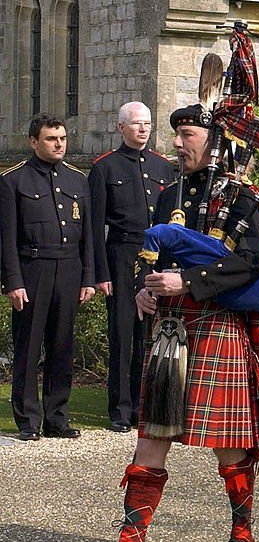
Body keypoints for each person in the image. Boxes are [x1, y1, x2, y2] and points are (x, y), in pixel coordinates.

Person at [69, 104, 259, 542]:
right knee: (150, 438)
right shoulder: (168, 193)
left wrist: (188, 280)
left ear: (213, 141)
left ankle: (243, 540)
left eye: (187, 134)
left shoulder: (240, 196)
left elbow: (252, 263)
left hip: (217, 328)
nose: (176, 143)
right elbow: (148, 254)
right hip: (171, 330)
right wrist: (143, 289)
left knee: (228, 447)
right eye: (176, 135)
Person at [0, 113, 95, 441]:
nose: (59, 145)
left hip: (68, 269)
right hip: (33, 270)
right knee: (28, 347)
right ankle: (28, 420)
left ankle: (57, 418)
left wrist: (88, 277)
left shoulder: (77, 180)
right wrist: (12, 281)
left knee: (62, 346)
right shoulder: (13, 180)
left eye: (63, 139)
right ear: (33, 142)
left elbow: (87, 236)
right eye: (51, 139)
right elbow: (7, 238)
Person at [89, 102, 175, 433]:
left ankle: (144, 406)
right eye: (137, 123)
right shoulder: (105, 168)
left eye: (147, 124)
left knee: (151, 336)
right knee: (123, 334)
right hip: (122, 255)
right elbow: (95, 227)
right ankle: (120, 409)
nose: (143, 129)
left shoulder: (163, 166)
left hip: (156, 256)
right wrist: (101, 273)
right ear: (121, 127)